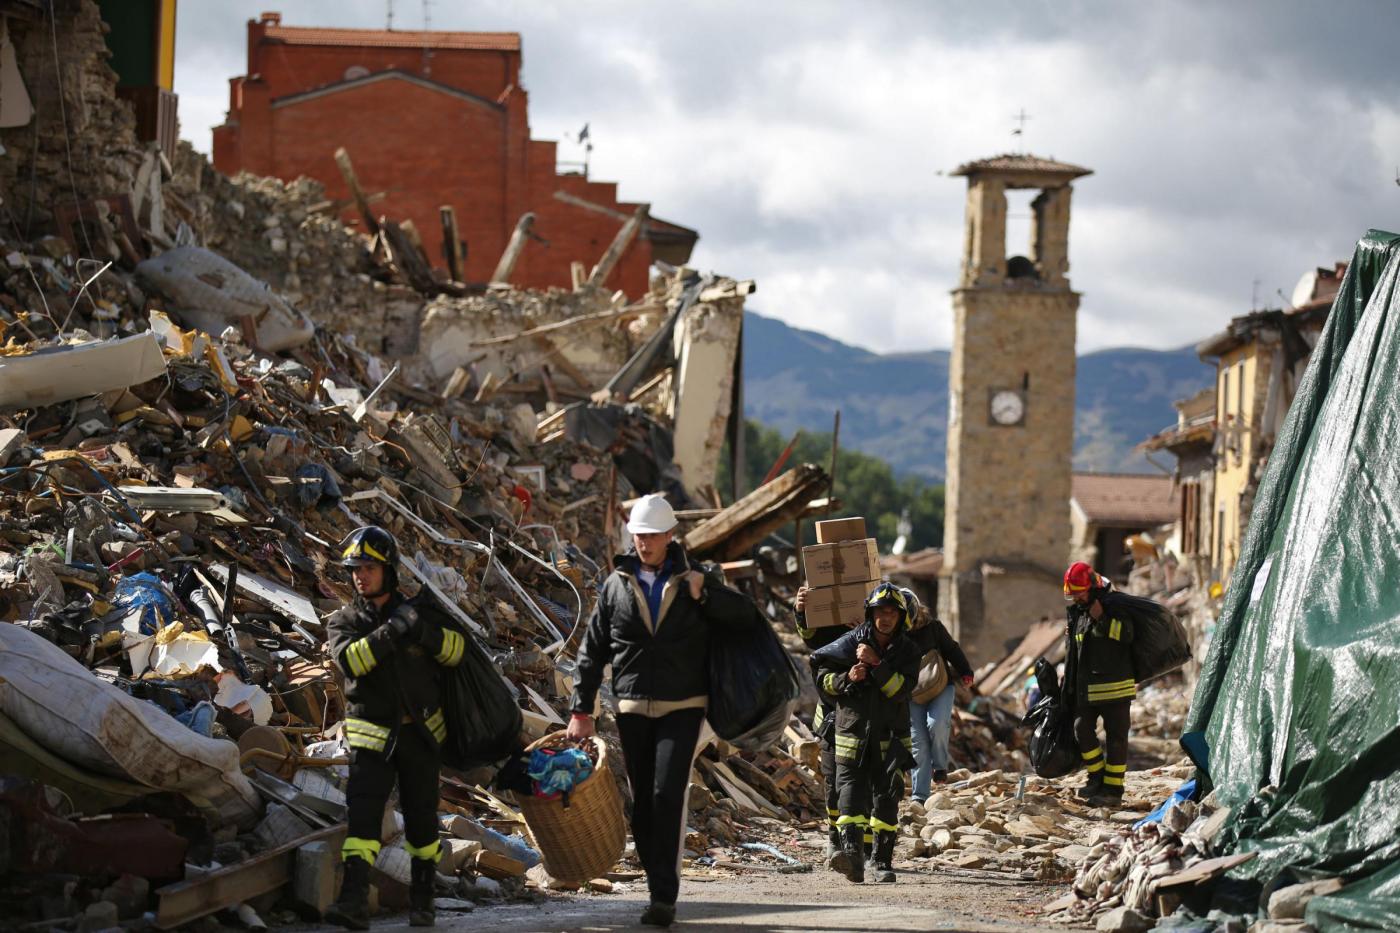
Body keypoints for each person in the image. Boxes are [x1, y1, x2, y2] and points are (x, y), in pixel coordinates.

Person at [566, 493, 753, 928]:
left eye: (652, 535)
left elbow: (743, 618)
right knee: (644, 803)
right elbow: (592, 653)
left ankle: (663, 897)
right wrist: (581, 709)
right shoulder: (616, 586)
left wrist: (706, 595)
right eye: (638, 536)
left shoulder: (697, 580)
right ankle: (657, 880)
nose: (645, 543)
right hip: (632, 706)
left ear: (670, 536)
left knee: (667, 794)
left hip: (683, 705)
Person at [324, 526, 469, 929]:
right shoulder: (345, 621)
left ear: (388, 570)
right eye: (355, 568)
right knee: (363, 821)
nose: (360, 575)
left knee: (423, 821)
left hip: (420, 738)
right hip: (371, 739)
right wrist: (393, 631)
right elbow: (351, 662)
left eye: (369, 567)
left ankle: (423, 901)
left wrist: (421, 629)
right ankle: (353, 901)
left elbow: (457, 653)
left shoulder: (421, 612)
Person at [809, 583, 920, 884]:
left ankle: (882, 862)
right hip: (851, 731)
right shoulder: (847, 644)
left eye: (891, 612)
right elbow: (822, 679)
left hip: (891, 735)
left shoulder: (909, 651)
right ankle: (852, 858)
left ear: (900, 617)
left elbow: (900, 691)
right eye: (879, 612)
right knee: (849, 793)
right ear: (870, 614)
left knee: (887, 797)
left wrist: (876, 664)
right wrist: (846, 678)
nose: (885, 618)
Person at [791, 583, 855, 865]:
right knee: (833, 778)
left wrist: (865, 630)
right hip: (831, 717)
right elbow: (810, 639)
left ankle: (858, 843)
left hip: (864, 719)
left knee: (857, 779)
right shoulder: (826, 633)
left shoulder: (876, 622)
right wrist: (801, 610)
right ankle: (834, 836)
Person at [1063, 561, 1136, 804]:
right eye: (1072, 594)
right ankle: (1097, 778)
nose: (1075, 598)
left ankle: (1113, 792)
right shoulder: (1079, 610)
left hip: (1115, 687)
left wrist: (1102, 619)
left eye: (1079, 593)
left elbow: (1127, 635)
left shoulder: (1114, 604)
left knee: (1116, 738)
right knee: (1081, 728)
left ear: (1091, 587)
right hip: (1088, 687)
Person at [906, 603, 975, 803]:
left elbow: (952, 649)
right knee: (917, 742)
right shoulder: (893, 635)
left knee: (936, 724)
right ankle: (919, 796)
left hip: (941, 686)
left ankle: (940, 766)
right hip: (912, 693)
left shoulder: (933, 628)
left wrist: (966, 672)